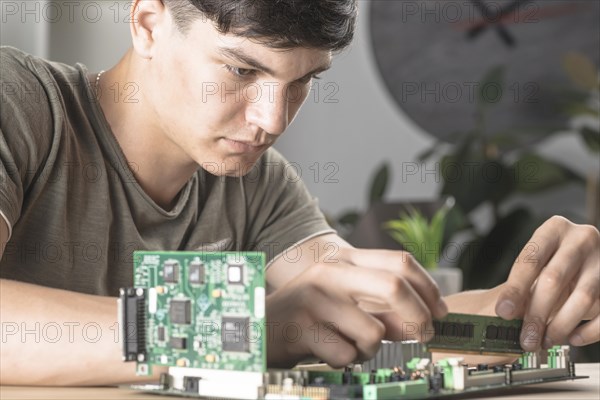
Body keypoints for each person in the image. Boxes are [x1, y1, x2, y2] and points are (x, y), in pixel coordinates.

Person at [1, 0, 598, 386]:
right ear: (149, 22)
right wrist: (247, 330)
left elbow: (377, 312)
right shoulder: (20, 101)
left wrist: (544, 302)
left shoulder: (255, 180)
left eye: (303, 81)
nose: (272, 120)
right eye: (242, 71)